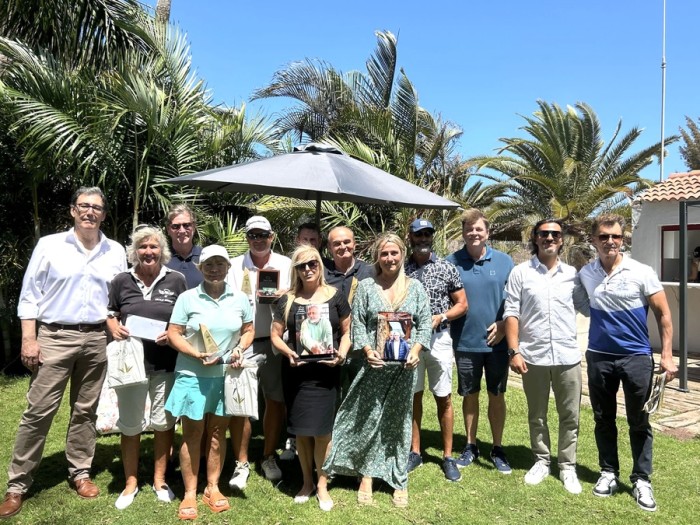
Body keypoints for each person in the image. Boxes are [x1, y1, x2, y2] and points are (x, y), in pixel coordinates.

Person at [0, 187, 126, 519]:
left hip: (97, 339)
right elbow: (30, 295)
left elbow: (118, 299)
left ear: (104, 213)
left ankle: (80, 472)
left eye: (97, 207)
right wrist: (30, 338)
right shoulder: (50, 245)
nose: (90, 212)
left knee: (85, 411)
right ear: (73, 210)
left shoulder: (115, 251)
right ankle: (17, 486)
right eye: (84, 206)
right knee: (38, 412)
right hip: (55, 336)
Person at [323, 233, 431, 508]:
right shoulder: (367, 287)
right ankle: (367, 475)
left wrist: (416, 352)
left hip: (403, 369)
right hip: (373, 368)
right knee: (368, 420)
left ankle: (398, 478)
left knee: (398, 420)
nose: (390, 259)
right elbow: (358, 324)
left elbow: (425, 324)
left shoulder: (416, 288)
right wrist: (369, 352)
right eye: (384, 254)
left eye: (394, 253)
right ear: (377, 258)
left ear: (402, 254)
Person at [578, 214, 677, 512]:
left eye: (616, 237)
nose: (611, 242)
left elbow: (664, 314)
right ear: (594, 240)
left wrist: (668, 355)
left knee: (639, 420)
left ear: (623, 240)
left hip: (636, 358)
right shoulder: (586, 273)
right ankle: (608, 472)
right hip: (599, 357)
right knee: (603, 419)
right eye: (604, 236)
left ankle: (641, 479)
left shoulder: (641, 271)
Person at [165, 244, 254, 520]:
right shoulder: (188, 298)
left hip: (224, 376)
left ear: (229, 268)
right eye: (209, 264)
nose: (215, 269)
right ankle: (190, 492)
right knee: (192, 432)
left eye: (220, 264)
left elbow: (248, 330)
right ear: (200, 268)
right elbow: (173, 334)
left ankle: (212, 487)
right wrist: (194, 353)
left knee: (217, 433)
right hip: (192, 374)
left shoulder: (239, 298)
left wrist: (240, 347)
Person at [503, 219, 588, 494]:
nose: (550, 238)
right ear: (535, 238)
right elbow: (511, 313)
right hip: (533, 356)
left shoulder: (574, 274)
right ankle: (541, 460)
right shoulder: (521, 273)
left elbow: (589, 307)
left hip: (567, 356)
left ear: (562, 240)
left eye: (555, 234)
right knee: (537, 415)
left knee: (570, 416)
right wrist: (514, 351)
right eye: (544, 233)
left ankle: (567, 466)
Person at [106, 225, 187, 509]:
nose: (148, 252)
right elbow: (111, 313)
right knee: (130, 425)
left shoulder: (176, 280)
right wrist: (114, 326)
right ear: (134, 251)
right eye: (143, 247)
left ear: (162, 251)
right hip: (131, 365)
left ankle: (159, 480)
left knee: (163, 423)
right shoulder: (121, 280)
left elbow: (184, 319)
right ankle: (130, 482)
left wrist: (173, 333)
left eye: (153, 247)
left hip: (165, 363)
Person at [271, 246, 351, 511]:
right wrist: (288, 351)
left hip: (326, 374)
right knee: (303, 433)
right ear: (295, 270)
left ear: (320, 265)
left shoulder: (336, 297)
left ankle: (322, 484)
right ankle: (306, 481)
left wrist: (341, 353)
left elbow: (347, 332)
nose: (307, 269)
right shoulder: (288, 300)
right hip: (297, 373)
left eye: (312, 264)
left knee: (323, 433)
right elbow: (275, 335)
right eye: (301, 266)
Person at [446, 208, 514, 474]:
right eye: (469, 229)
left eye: (479, 229)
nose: (474, 233)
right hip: (464, 342)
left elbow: (514, 301)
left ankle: (497, 448)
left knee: (497, 394)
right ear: (463, 233)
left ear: (488, 232)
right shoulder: (451, 261)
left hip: (497, 343)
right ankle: (471, 444)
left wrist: (501, 325)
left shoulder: (505, 262)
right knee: (469, 395)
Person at [227, 216, 292, 486]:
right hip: (243, 342)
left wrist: (282, 294)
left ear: (272, 236)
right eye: (253, 235)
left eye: (262, 235)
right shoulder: (233, 266)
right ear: (246, 237)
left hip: (275, 340)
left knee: (275, 401)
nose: (258, 239)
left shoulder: (286, 265)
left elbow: (299, 293)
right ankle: (241, 463)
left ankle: (268, 455)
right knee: (241, 404)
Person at [404, 218, 468, 482]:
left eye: (427, 234)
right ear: (410, 238)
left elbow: (462, 304)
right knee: (414, 397)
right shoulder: (402, 268)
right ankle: (415, 452)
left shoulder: (446, 268)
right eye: (419, 235)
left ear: (432, 237)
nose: (423, 239)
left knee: (444, 397)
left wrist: (441, 317)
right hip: (409, 341)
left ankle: (448, 456)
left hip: (439, 339)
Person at [323, 226, 374, 303]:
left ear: (354, 244)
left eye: (346, 242)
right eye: (337, 244)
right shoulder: (323, 275)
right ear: (330, 248)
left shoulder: (369, 272)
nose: (343, 247)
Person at [165, 203, 203, 289]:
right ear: (168, 229)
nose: (182, 231)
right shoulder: (161, 259)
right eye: (176, 226)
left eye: (186, 225)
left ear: (194, 227)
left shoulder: (205, 257)